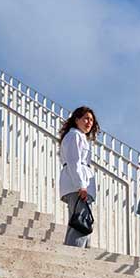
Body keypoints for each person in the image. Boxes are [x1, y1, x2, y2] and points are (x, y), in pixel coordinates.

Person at [58, 105, 100, 248]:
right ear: (77, 120)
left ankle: (80, 254)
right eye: (86, 119)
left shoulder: (79, 137)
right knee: (80, 225)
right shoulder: (74, 135)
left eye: (91, 120)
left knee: (80, 222)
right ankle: (75, 254)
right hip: (77, 186)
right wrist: (81, 185)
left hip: (78, 185)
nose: (89, 122)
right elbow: (73, 162)